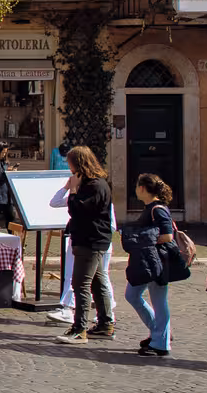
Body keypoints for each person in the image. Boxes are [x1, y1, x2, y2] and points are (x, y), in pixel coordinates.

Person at [55, 145, 115, 344]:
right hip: (90, 239)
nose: (68, 166)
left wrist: (72, 189)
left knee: (80, 283)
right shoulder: (93, 184)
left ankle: (79, 329)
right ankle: (105, 324)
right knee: (97, 283)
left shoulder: (95, 186)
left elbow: (78, 210)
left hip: (91, 240)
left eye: (70, 162)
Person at [122, 174, 178, 358]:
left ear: (143, 188)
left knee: (158, 301)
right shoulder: (149, 208)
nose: (136, 189)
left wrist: (144, 241)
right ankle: (159, 333)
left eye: (137, 186)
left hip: (157, 262)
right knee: (132, 295)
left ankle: (161, 343)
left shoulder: (158, 209)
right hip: (147, 261)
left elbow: (168, 236)